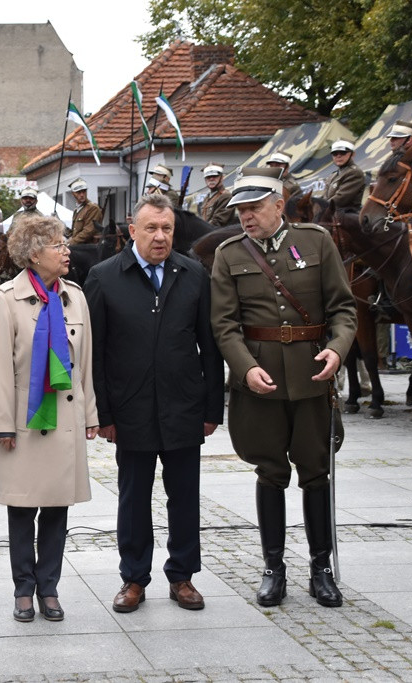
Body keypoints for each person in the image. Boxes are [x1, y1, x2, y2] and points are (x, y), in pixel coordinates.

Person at [210, 167, 356, 608]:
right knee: (270, 474)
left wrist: (337, 349)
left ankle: (321, 568)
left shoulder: (316, 242)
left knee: (316, 473)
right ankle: (273, 568)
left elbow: (343, 309)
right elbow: (224, 324)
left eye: (254, 208)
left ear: (279, 204)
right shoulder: (228, 253)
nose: (246, 218)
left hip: (314, 378)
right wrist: (245, 368)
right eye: (240, 210)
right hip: (262, 383)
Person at [84, 194, 225, 613]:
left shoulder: (193, 274)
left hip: (184, 406)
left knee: (184, 496)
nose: (160, 236)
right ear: (132, 230)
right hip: (130, 410)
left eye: (166, 229)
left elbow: (210, 346)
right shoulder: (104, 277)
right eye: (151, 228)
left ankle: (182, 576)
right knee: (133, 498)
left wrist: (212, 410)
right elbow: (96, 353)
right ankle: (133, 578)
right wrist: (103, 413)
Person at [0, 215, 99, 623]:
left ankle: (49, 588)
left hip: (66, 418)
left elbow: (83, 365)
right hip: (24, 420)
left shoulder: (75, 297)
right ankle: (23, 589)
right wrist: (2, 424)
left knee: (56, 507)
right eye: (57, 245)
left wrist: (90, 414)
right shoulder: (6, 298)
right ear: (34, 255)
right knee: (22, 507)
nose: (66, 250)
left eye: (65, 243)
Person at [323, 140, 366, 213]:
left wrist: (321, 207)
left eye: (343, 153)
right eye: (335, 153)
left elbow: (341, 199)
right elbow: (325, 197)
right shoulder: (333, 175)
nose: (338, 156)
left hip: (347, 214)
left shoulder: (355, 172)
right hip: (331, 212)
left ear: (352, 154)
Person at [67, 179, 103, 245]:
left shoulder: (93, 208)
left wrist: (71, 243)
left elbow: (88, 231)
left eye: (84, 191)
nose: (82, 195)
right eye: (78, 192)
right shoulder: (77, 210)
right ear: (73, 193)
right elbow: (74, 231)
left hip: (89, 247)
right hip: (78, 246)